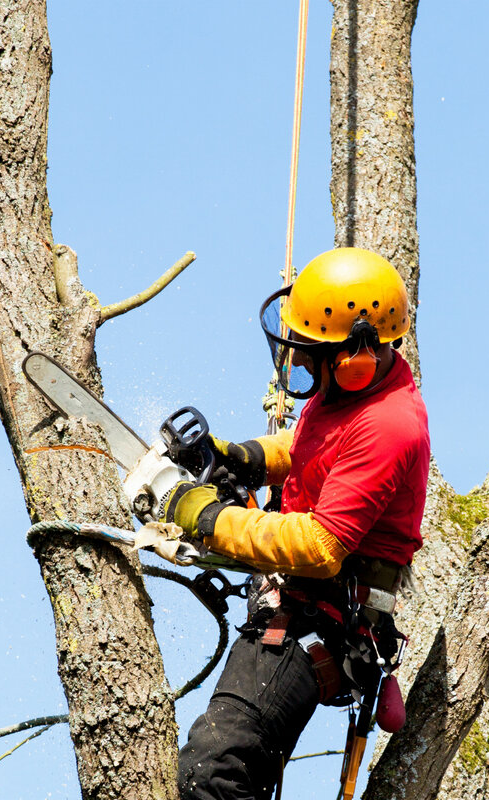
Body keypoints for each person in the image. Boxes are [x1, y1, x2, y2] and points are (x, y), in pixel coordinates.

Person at [159, 246, 431, 800]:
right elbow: (312, 444)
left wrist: (209, 518)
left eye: (312, 355)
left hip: (320, 622)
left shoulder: (389, 425)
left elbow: (320, 546)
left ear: (353, 355)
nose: (302, 365)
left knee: (213, 776)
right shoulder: (352, 390)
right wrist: (246, 457)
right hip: (300, 603)